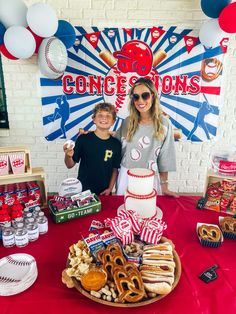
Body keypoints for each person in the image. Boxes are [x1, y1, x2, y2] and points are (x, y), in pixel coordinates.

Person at [115, 77, 178, 197]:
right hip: (126, 177)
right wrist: (95, 135)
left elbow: (165, 157)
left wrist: (164, 186)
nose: (140, 100)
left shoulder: (164, 124)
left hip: (151, 177)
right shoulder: (128, 122)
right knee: (125, 213)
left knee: (148, 212)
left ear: (153, 96)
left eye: (145, 95)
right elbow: (115, 144)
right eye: (136, 96)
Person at [63, 102, 122, 195]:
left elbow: (115, 169)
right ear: (93, 119)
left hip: (104, 192)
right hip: (83, 190)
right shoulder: (83, 139)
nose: (104, 118)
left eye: (108, 115)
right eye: (100, 115)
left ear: (113, 121)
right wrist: (68, 156)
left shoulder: (116, 144)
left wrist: (110, 188)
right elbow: (69, 165)